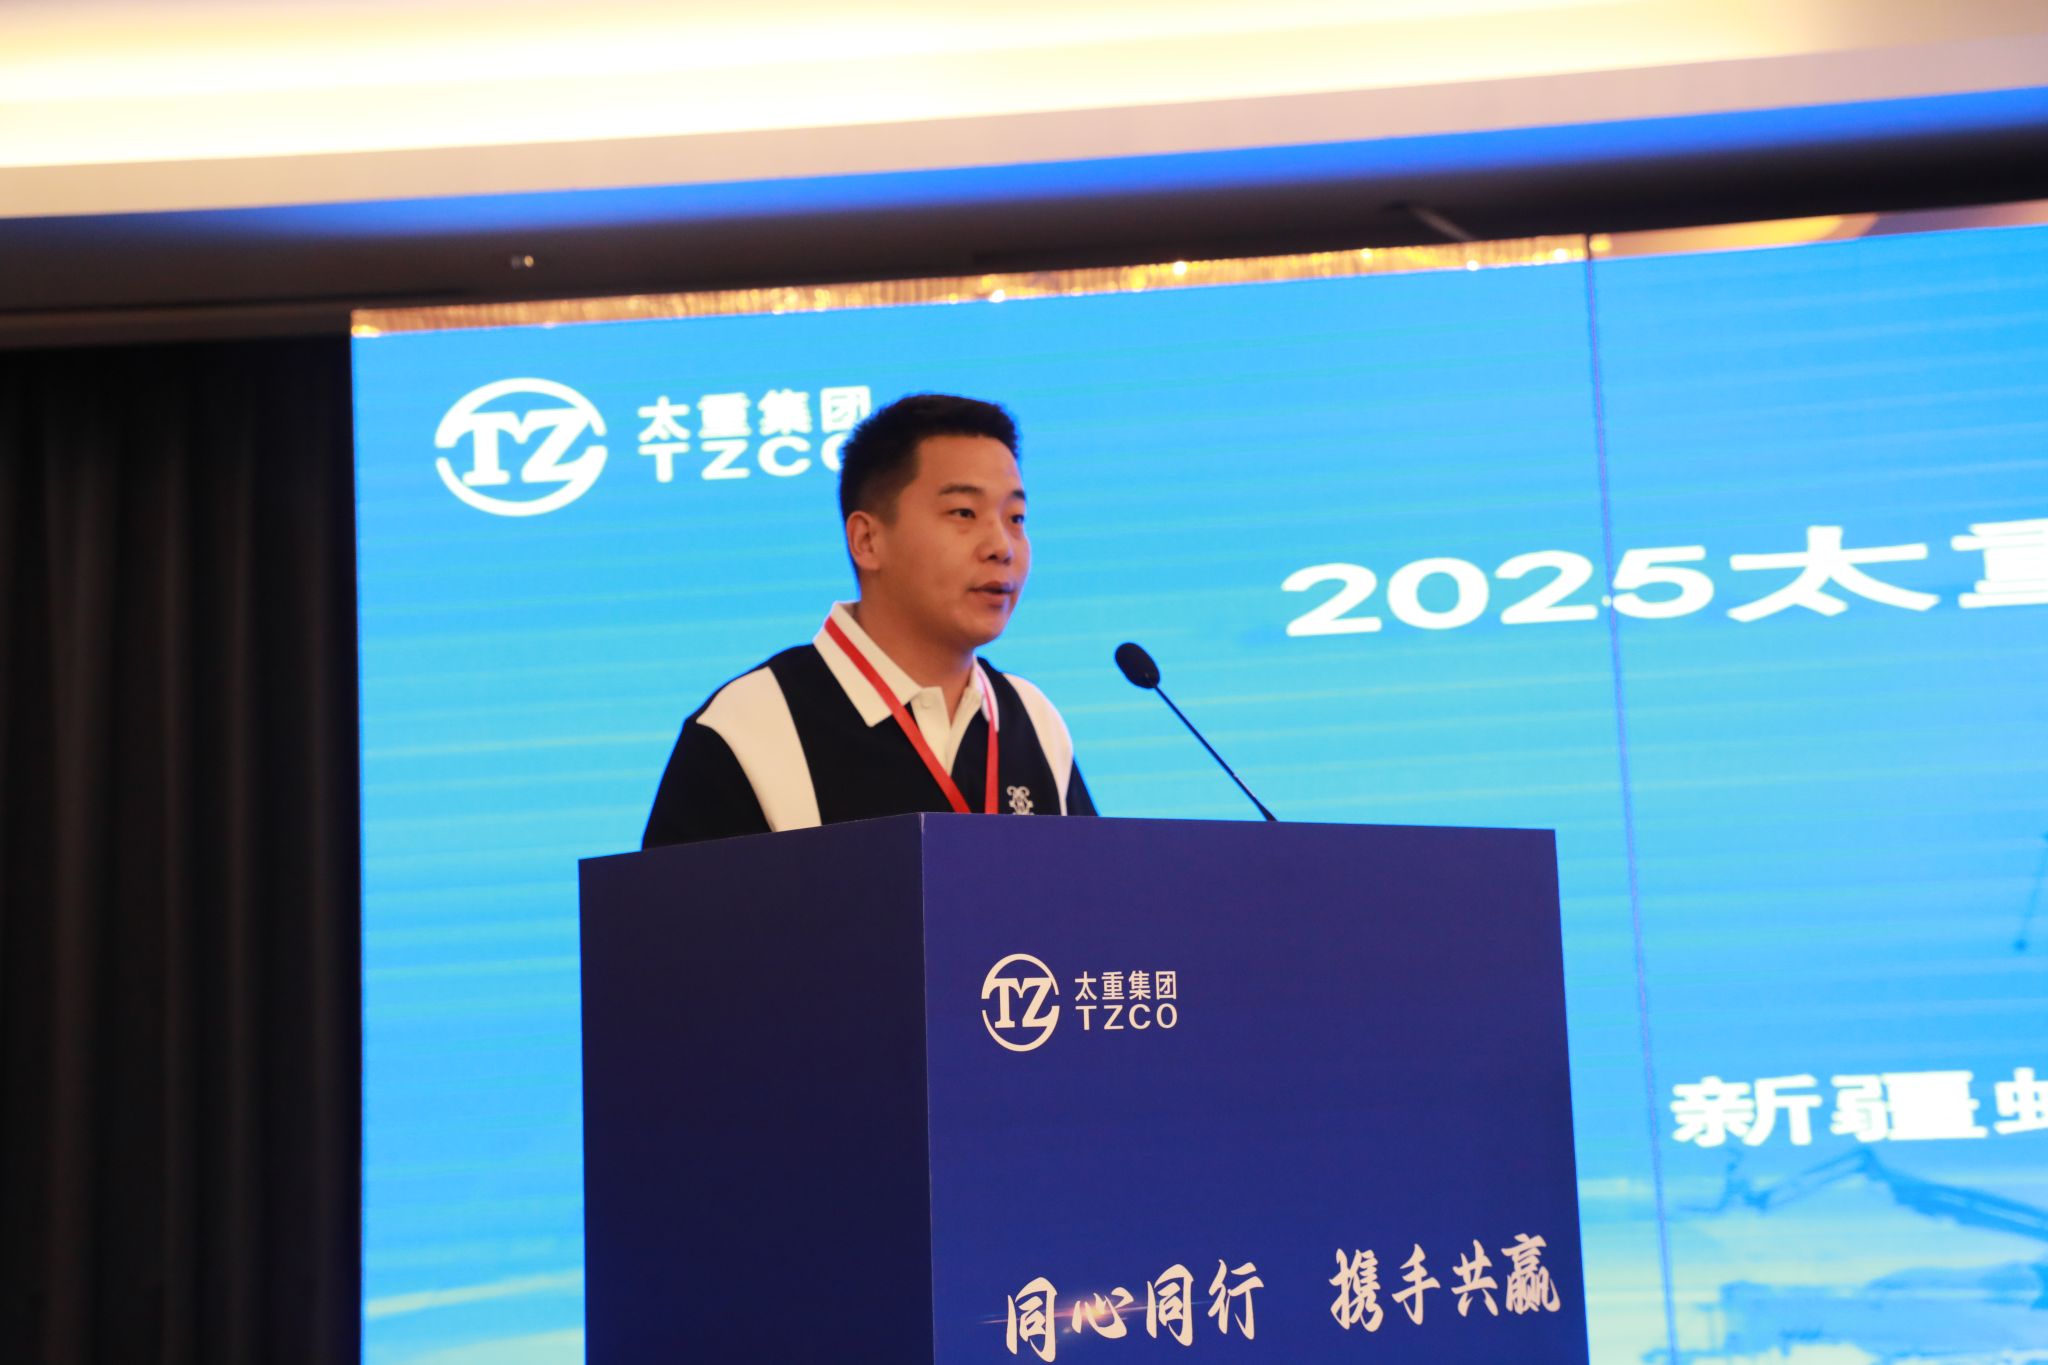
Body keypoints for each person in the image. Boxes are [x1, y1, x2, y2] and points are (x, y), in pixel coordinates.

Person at [642, 392, 1096, 848]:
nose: (1002, 546)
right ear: (867, 540)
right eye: (964, 513)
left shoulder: (1033, 718)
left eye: (1016, 518)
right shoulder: (746, 729)